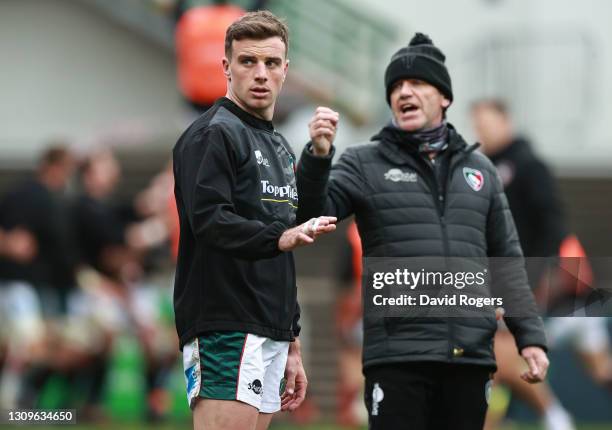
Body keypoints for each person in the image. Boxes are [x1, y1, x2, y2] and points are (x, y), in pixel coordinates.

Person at [296, 33, 549, 429]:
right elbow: (310, 213)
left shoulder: (480, 170)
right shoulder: (363, 163)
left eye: (416, 83)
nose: (403, 92)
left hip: (468, 356)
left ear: (444, 97)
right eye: (395, 86)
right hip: (396, 356)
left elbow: (506, 262)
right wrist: (318, 158)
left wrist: (529, 336)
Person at [172, 11, 336, 430]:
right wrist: (280, 237)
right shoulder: (213, 134)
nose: (260, 73)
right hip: (225, 325)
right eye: (248, 61)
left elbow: (296, 223)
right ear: (226, 67)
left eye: (271, 63)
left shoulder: (278, 143)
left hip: (269, 328)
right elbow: (211, 221)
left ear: (286, 70)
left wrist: (291, 337)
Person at [471, 99, 612, 429]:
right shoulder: (482, 167)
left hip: (548, 281)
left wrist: (537, 275)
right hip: (549, 287)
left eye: (485, 122)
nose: (481, 130)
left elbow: (553, 224)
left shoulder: (526, 164)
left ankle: (553, 416)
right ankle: (528, 416)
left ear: (505, 120)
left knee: (502, 347)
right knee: (599, 366)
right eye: (476, 124)